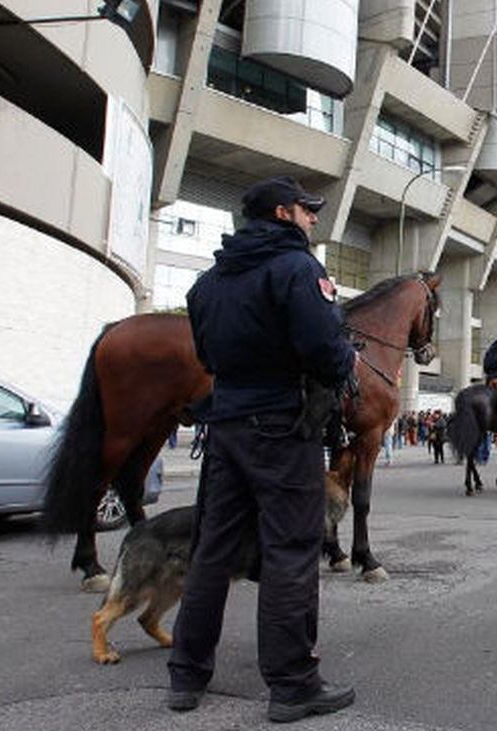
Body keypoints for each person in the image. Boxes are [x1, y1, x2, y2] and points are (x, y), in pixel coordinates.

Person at [168, 175, 357, 721]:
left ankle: (186, 675)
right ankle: (293, 684)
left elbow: (206, 356)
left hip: (225, 427)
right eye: (306, 210)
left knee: (212, 550)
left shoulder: (208, 282)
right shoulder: (298, 270)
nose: (312, 219)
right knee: (291, 550)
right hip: (282, 426)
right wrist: (343, 359)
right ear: (282, 213)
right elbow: (325, 350)